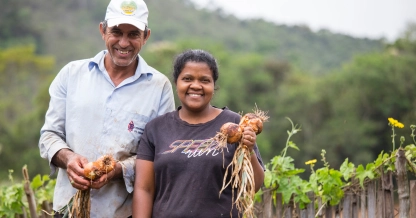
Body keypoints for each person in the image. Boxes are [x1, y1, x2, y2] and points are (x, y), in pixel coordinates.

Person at [38, 0, 175, 217]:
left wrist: (117, 170)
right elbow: (49, 135)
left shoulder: (159, 87)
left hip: (123, 212)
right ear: (103, 30)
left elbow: (161, 154)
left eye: (133, 34)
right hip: (67, 209)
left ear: (146, 36)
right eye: (116, 32)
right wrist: (69, 159)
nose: (123, 42)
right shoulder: (72, 74)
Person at [132, 49, 265, 218]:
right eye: (187, 79)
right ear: (176, 82)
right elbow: (145, 189)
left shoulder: (235, 125)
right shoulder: (156, 128)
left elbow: (254, 186)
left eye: (204, 80)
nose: (195, 85)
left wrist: (249, 148)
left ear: (214, 86)